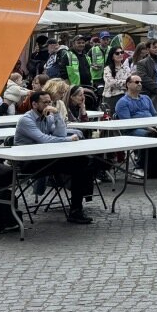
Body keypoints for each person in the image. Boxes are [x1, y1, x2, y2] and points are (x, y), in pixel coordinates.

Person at [14, 90, 95, 224]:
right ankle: (76, 207)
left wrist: (57, 114)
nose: (48, 105)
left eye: (49, 102)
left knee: (83, 161)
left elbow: (60, 134)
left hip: (46, 158)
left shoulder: (48, 117)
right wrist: (68, 140)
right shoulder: (26, 120)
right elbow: (44, 139)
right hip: (28, 162)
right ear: (34, 104)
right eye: (44, 102)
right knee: (80, 163)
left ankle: (76, 210)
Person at [102, 45, 132, 112]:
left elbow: (131, 82)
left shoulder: (127, 68)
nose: (120, 54)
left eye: (122, 52)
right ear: (112, 56)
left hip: (125, 96)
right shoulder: (107, 69)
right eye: (117, 53)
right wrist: (125, 82)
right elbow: (111, 83)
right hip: (111, 98)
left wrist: (119, 82)